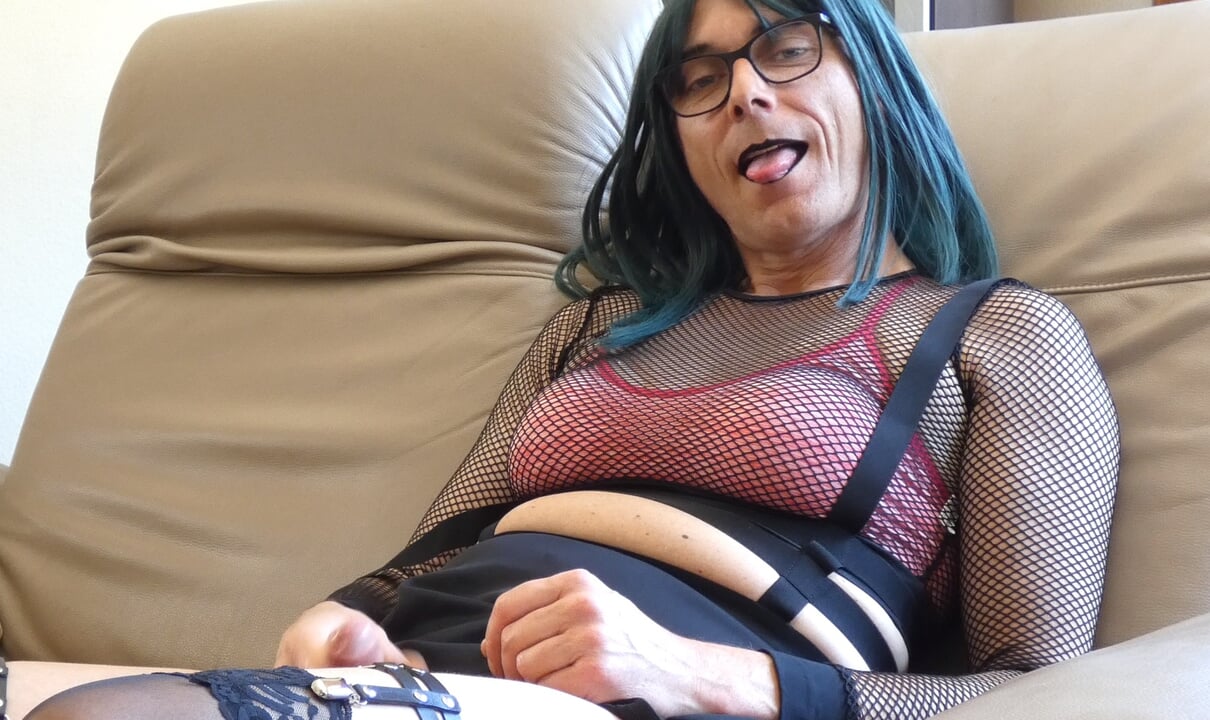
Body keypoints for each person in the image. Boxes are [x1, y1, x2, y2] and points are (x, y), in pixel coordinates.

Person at [13, 0, 1119, 718]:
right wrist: (337, 617)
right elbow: (436, 547)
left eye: (786, 46)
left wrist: (702, 675)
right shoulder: (604, 323)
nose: (744, 92)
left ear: (872, 74)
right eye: (698, 78)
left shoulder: (993, 335)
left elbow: (1041, 693)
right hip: (430, 674)